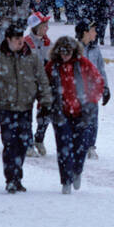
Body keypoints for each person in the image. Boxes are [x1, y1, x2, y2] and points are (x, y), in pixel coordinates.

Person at [0, 23, 53, 194]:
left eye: (21, 39)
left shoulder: (32, 58)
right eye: (16, 40)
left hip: (26, 106)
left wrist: (46, 104)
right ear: (8, 40)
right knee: (10, 144)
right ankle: (11, 179)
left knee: (23, 143)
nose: (20, 43)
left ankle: (17, 176)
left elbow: (42, 81)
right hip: (6, 107)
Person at [42, 36, 104, 194]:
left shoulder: (83, 64)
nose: (65, 56)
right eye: (62, 53)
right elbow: (44, 87)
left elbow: (97, 81)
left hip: (82, 112)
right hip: (60, 113)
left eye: (68, 53)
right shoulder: (52, 66)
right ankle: (65, 180)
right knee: (63, 148)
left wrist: (91, 101)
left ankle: (77, 171)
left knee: (81, 147)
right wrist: (44, 106)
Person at [74, 20, 110, 160]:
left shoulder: (95, 49)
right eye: (93, 30)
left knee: (93, 120)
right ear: (85, 33)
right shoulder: (74, 50)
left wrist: (105, 87)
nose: (96, 32)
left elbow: (101, 69)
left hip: (92, 92)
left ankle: (90, 146)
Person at [23, 12, 56, 157]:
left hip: (44, 84)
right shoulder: (25, 43)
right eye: (43, 26)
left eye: (47, 25)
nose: (46, 28)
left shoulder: (49, 43)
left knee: (46, 112)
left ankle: (39, 138)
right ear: (35, 27)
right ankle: (28, 143)